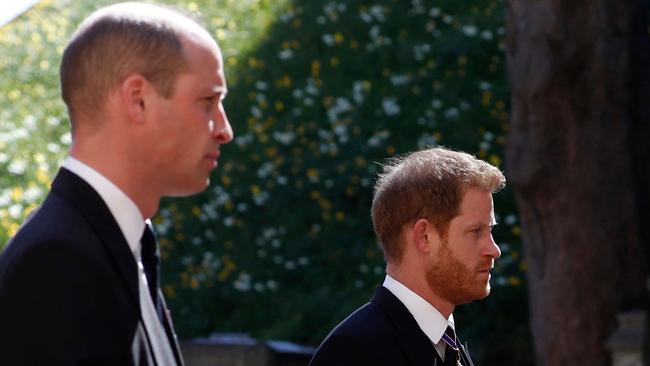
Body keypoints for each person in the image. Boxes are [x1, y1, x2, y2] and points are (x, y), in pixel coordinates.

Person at [0, 2, 232, 365]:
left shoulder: (114, 241)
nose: (224, 130)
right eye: (208, 101)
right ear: (138, 99)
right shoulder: (57, 262)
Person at [309, 147, 505, 366]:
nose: (494, 249)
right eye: (475, 231)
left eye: (490, 231)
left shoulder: (449, 347)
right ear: (424, 236)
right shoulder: (353, 352)